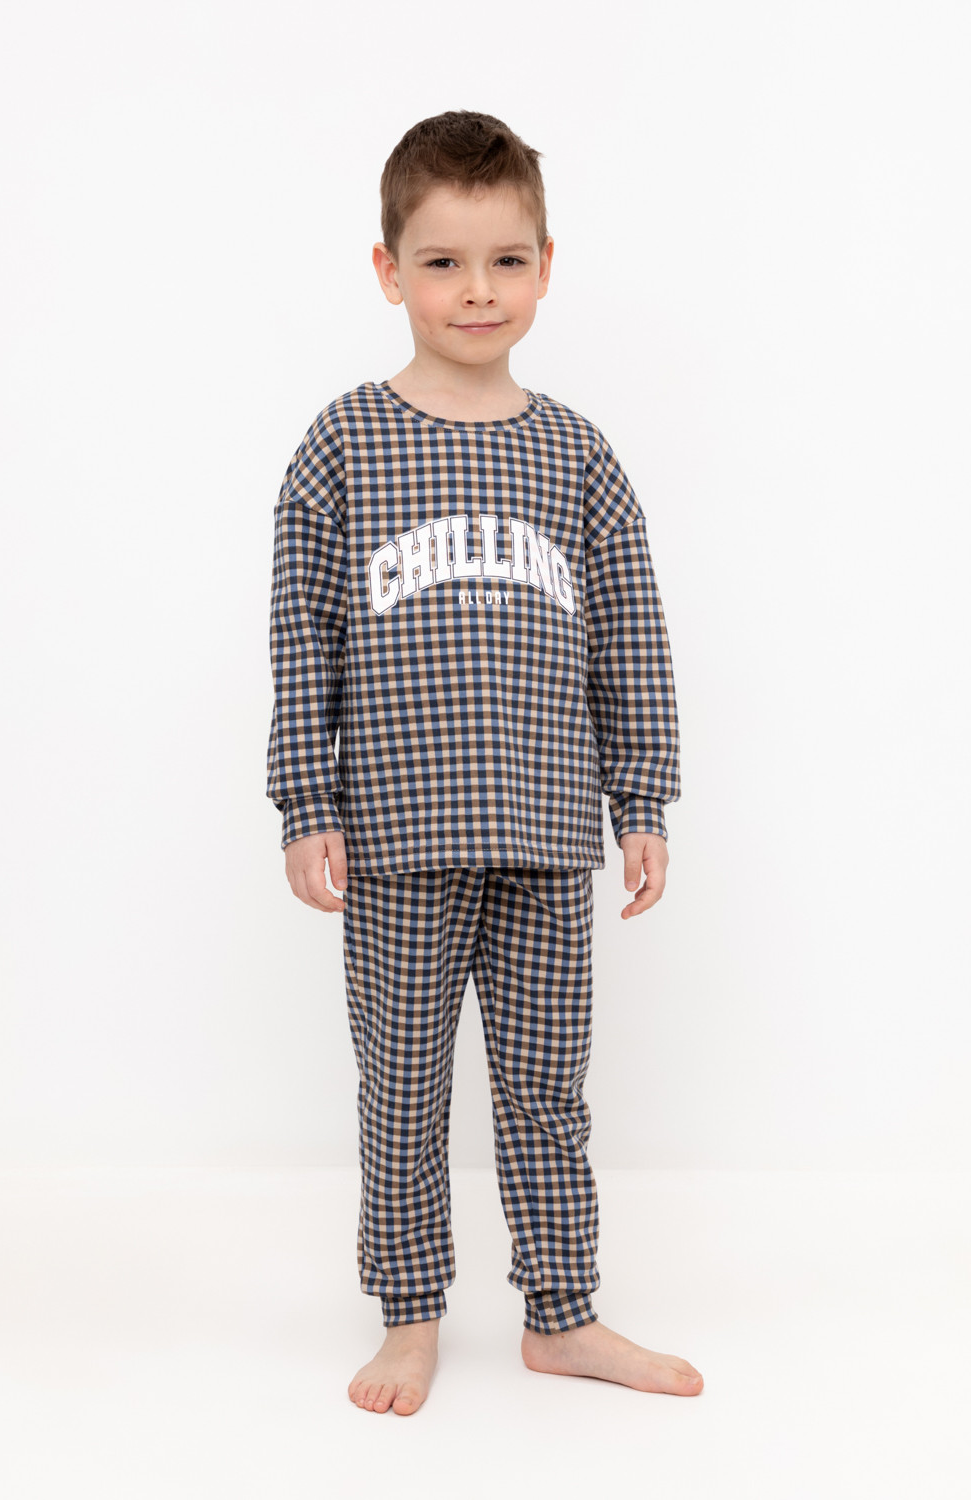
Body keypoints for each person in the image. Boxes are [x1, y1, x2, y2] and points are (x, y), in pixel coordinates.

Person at [266, 110, 703, 1416]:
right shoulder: (344, 445)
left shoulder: (578, 455)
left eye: (506, 260)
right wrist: (305, 803)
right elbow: (301, 636)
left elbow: (631, 633)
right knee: (401, 1095)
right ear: (389, 270)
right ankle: (410, 1317)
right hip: (397, 844)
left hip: (546, 839)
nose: (477, 290)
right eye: (444, 262)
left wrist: (642, 799)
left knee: (546, 1098)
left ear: (546, 268)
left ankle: (562, 1315)